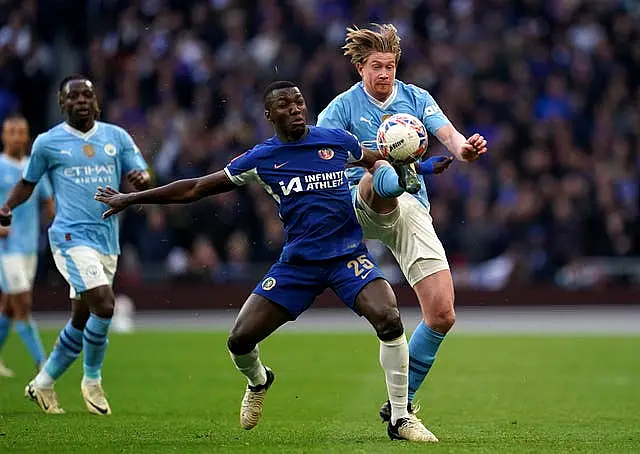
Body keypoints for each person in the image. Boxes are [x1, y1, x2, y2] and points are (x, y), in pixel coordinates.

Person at [94, 81, 437, 442]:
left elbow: (378, 159)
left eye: (299, 102)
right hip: (298, 265)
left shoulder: (336, 140)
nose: (295, 109)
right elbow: (196, 187)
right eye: (285, 104)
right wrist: (133, 199)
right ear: (269, 114)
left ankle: (401, 419)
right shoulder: (262, 158)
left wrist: (418, 168)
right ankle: (259, 380)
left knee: (389, 316)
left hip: (347, 256)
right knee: (239, 340)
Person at [317, 24, 487, 438]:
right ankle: (399, 176)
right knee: (376, 173)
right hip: (358, 202)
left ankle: (401, 407)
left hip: (410, 206)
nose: (384, 74)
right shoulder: (340, 109)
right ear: (360, 68)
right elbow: (317, 155)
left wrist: (463, 149)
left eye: (390, 66)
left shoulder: (416, 99)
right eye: (376, 66)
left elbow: (449, 136)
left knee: (443, 314)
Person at [0, 75, 151, 415]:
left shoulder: (117, 137)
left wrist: (141, 179)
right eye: (74, 96)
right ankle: (92, 379)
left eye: (87, 95)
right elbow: (28, 183)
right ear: (62, 103)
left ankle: (42, 383)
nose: (81, 100)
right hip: (69, 238)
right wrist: (8, 206)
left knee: (81, 319)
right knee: (105, 304)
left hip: (106, 241)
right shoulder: (47, 143)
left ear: (96, 101)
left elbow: (140, 171)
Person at [0, 115, 54, 377]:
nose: (17, 136)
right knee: (23, 304)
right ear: (3, 136)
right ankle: (43, 363)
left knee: (9, 307)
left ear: (27, 136)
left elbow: (49, 202)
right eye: (11, 132)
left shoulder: (33, 167)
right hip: (6, 248)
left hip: (30, 246)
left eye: (21, 131)